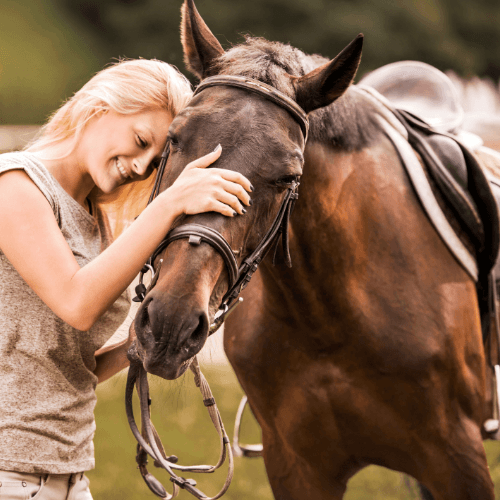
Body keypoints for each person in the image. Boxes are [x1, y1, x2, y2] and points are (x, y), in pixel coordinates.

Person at [0, 59, 251, 499]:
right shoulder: (16, 184)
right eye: (140, 141)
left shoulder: (95, 221)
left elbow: (68, 367)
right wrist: (169, 203)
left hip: (68, 472)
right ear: (99, 107)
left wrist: (152, 339)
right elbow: (76, 304)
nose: (140, 166)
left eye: (155, 162)